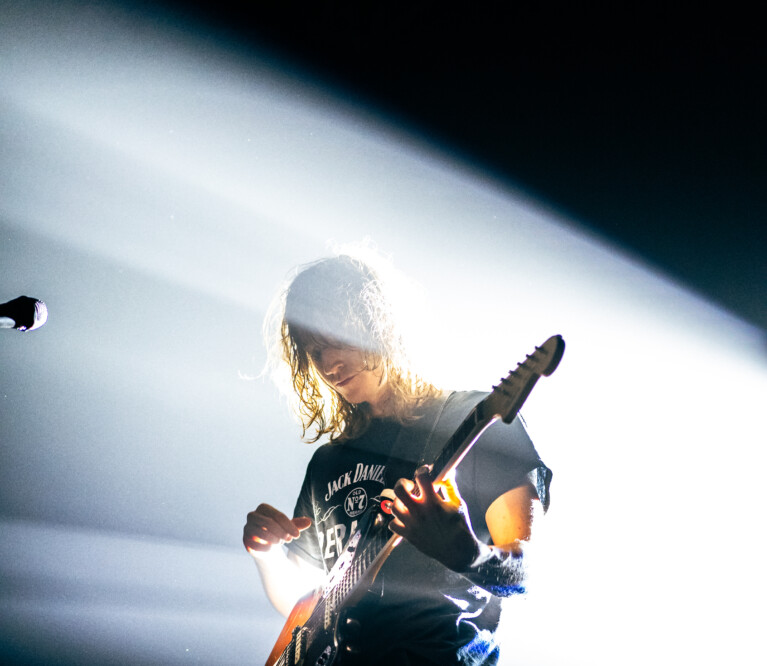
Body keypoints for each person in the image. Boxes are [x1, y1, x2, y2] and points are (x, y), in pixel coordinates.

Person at [243, 253, 552, 664]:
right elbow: (306, 607)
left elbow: (524, 573)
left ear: (380, 326)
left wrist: (466, 554)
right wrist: (265, 554)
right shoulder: (328, 462)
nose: (329, 364)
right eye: (314, 351)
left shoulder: (476, 424)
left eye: (338, 339)